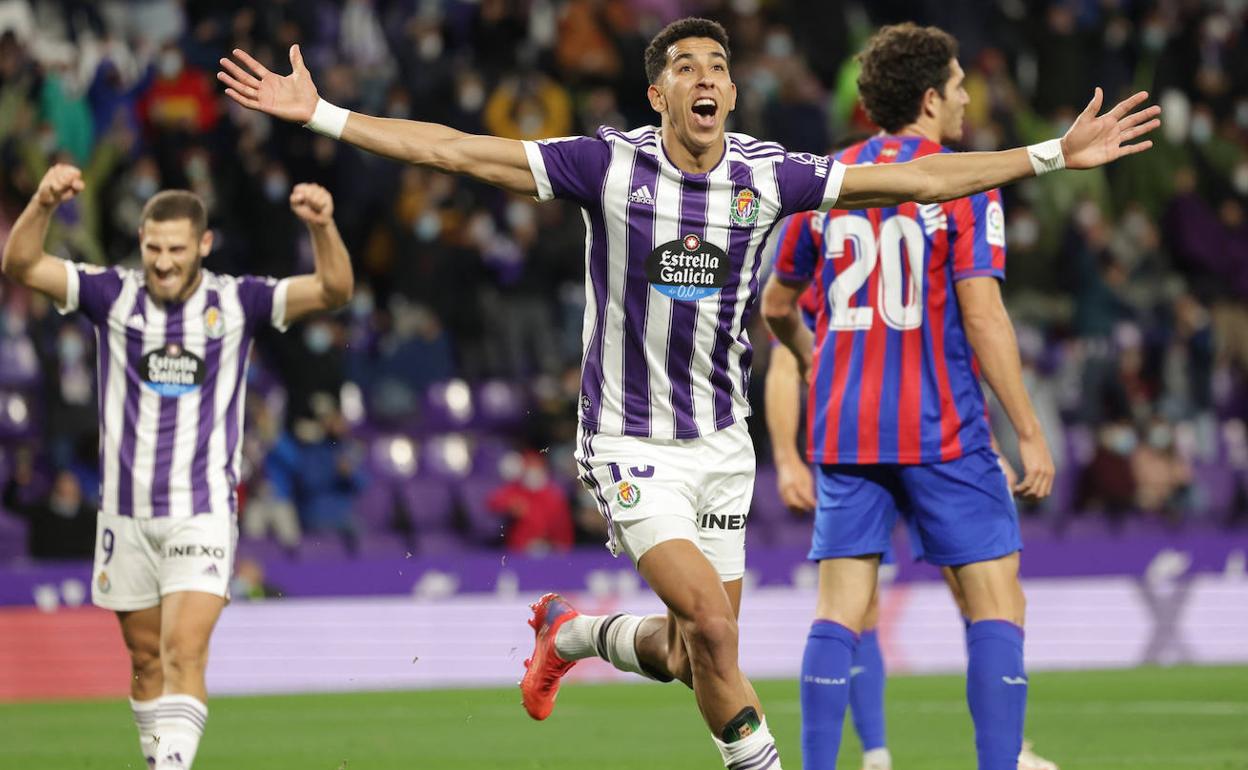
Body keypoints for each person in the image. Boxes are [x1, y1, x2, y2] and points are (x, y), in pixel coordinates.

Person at [217, 17, 1157, 769]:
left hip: (719, 445)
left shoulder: (768, 176)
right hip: (627, 442)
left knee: (695, 652)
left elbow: (918, 177)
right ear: (659, 92)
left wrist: (1049, 157)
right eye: (686, 65)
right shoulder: (607, 165)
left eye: (718, 63)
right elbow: (459, 152)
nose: (705, 76)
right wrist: (323, 117)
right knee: (713, 627)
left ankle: (573, 632)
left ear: (732, 92)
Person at [762, 22, 1068, 770]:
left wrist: (812, 360)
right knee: (998, 602)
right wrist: (1027, 427)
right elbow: (983, 314)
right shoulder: (963, 180)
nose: (967, 98)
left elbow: (776, 306)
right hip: (939, 425)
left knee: (838, 612)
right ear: (930, 100)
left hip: (843, 428)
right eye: (959, 86)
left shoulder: (823, 183)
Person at [0, 164, 353, 770]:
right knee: (145, 665)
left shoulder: (237, 301)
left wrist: (322, 227)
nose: (163, 262)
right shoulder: (112, 295)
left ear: (203, 246)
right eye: (154, 248)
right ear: (141, 242)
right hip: (126, 516)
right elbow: (22, 266)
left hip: (202, 512)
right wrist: (41, 203)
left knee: (184, 653)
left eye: (176, 249)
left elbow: (333, 291)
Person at [766, 295, 1057, 770]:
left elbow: (781, 329)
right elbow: (979, 319)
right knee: (985, 597)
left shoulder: (821, 226)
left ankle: (1002, 748)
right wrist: (1012, 436)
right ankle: (898, 754)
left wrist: (789, 452)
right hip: (937, 435)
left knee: (854, 606)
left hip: (854, 434)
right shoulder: (941, 221)